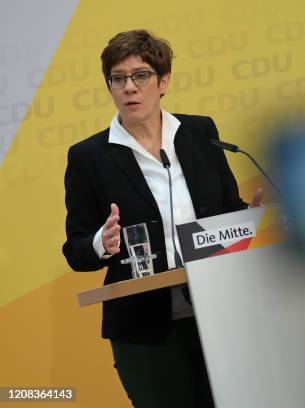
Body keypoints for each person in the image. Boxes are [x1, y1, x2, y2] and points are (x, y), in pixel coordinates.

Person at [62, 29, 262, 407]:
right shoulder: (89, 157)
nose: (129, 88)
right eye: (118, 79)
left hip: (218, 312)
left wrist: (249, 221)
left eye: (140, 76)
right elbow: (75, 248)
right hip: (143, 327)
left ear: (163, 80)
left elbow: (225, 209)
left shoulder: (200, 133)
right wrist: (100, 244)